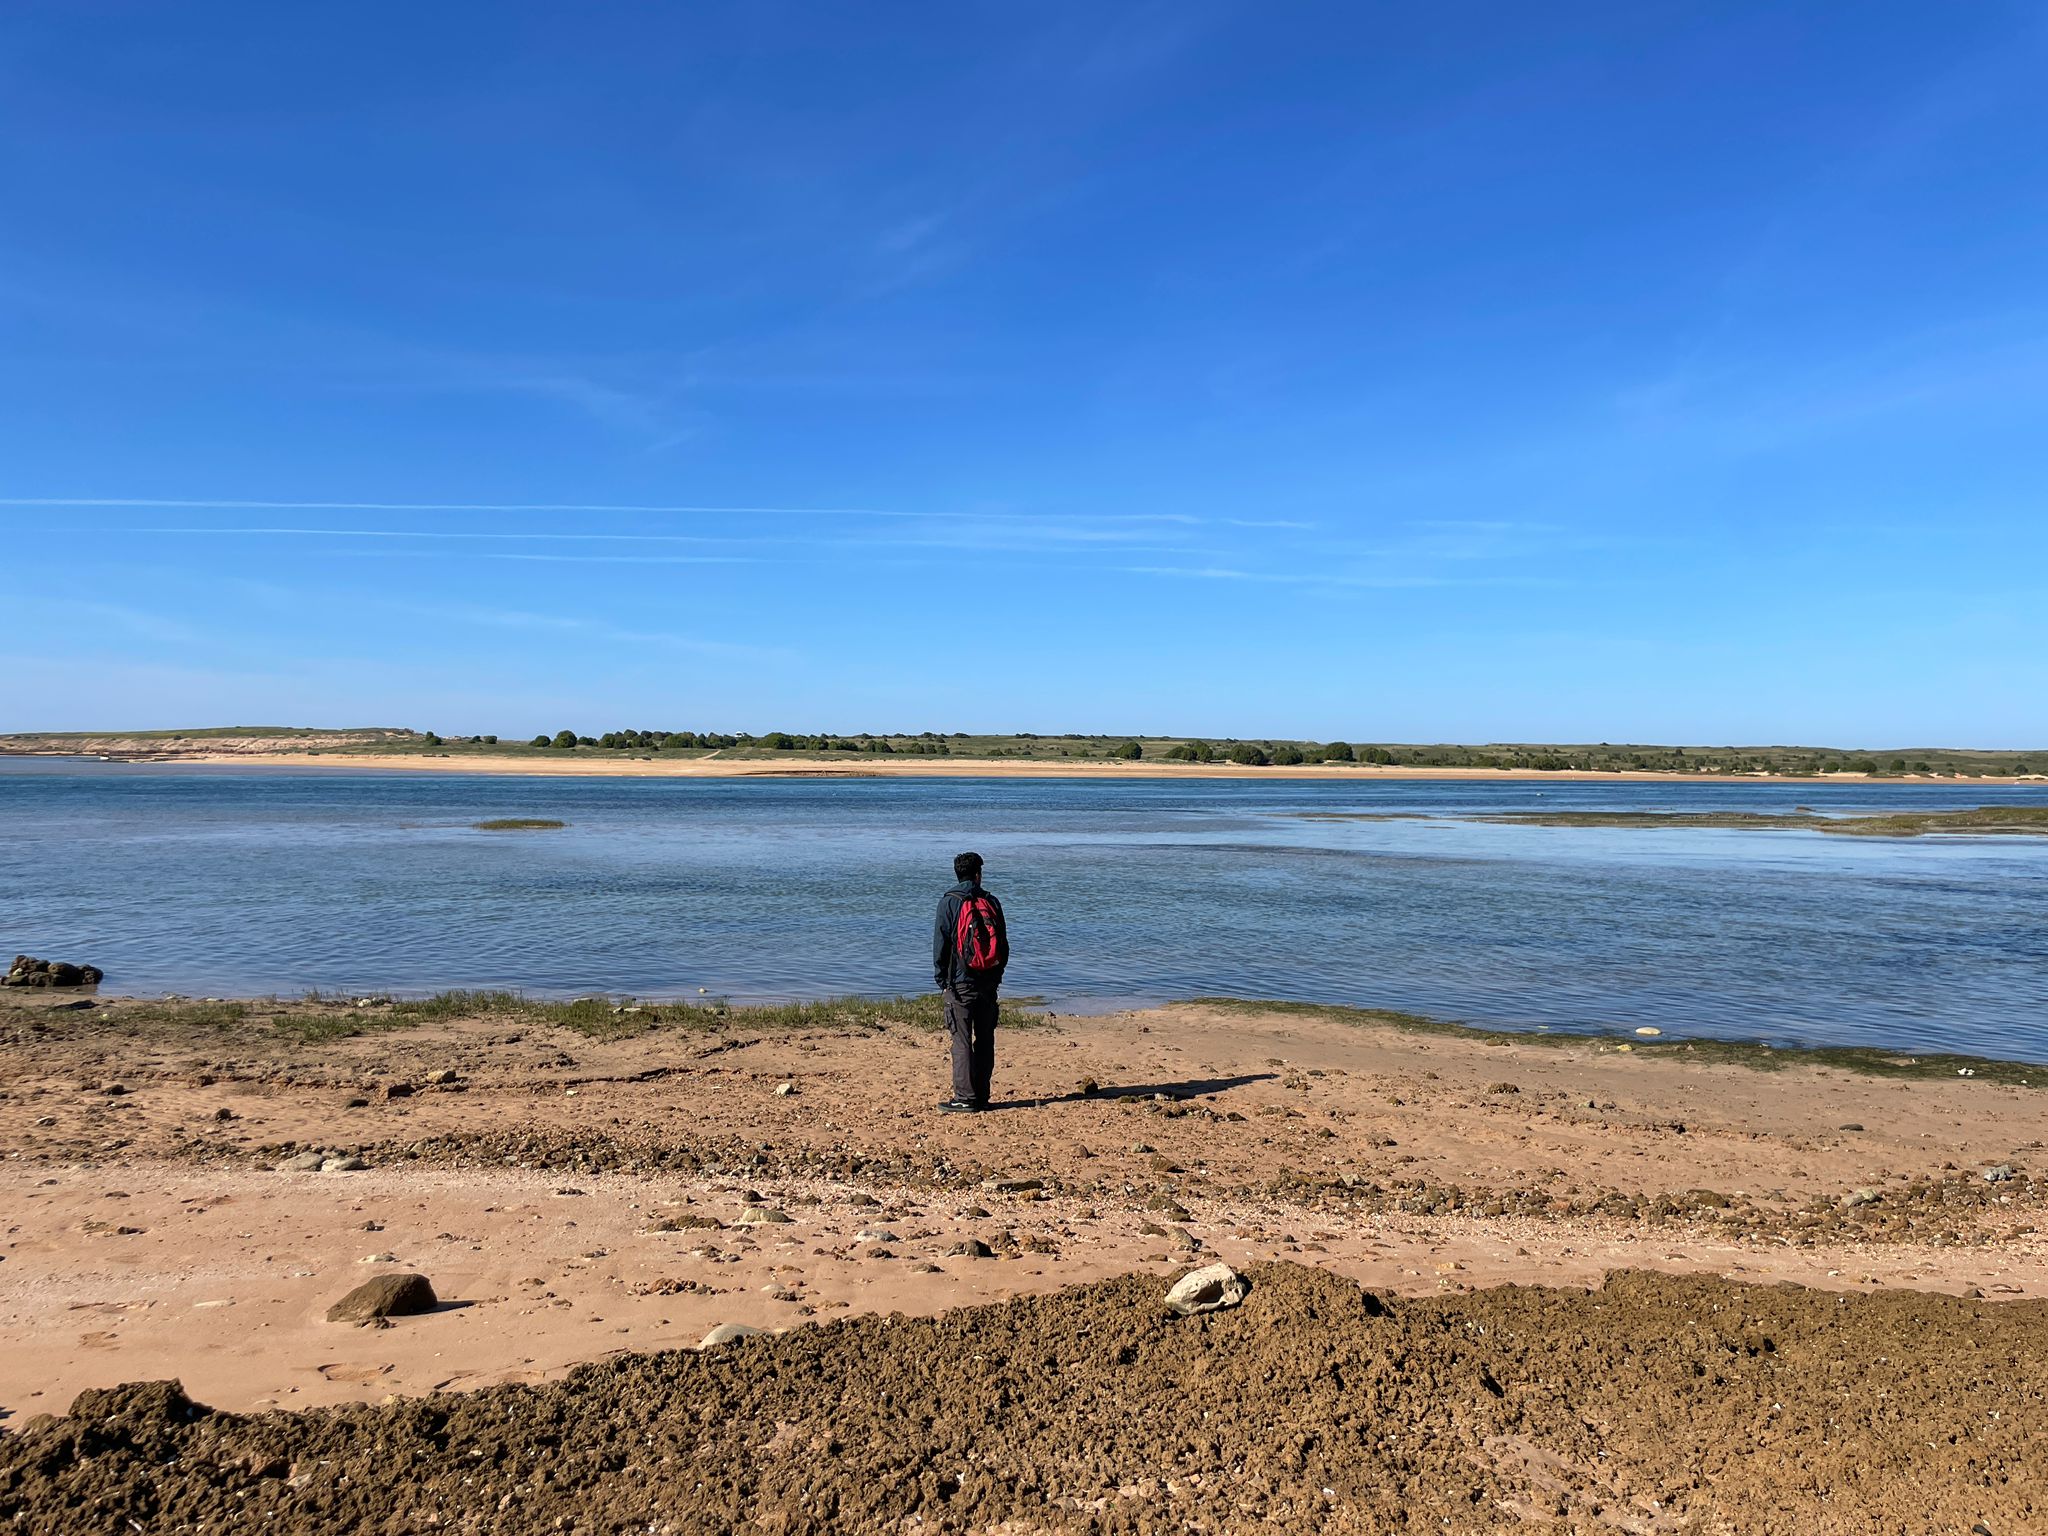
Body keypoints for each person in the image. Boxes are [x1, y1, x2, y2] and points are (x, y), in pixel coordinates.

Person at [932, 850, 1009, 1112]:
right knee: (985, 1039)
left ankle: (965, 1098)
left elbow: (940, 946)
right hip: (988, 982)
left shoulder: (948, 902)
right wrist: (996, 977)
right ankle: (983, 1095)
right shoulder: (992, 901)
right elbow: (1004, 945)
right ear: (978, 875)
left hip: (960, 983)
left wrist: (942, 980)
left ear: (957, 873)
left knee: (961, 1040)